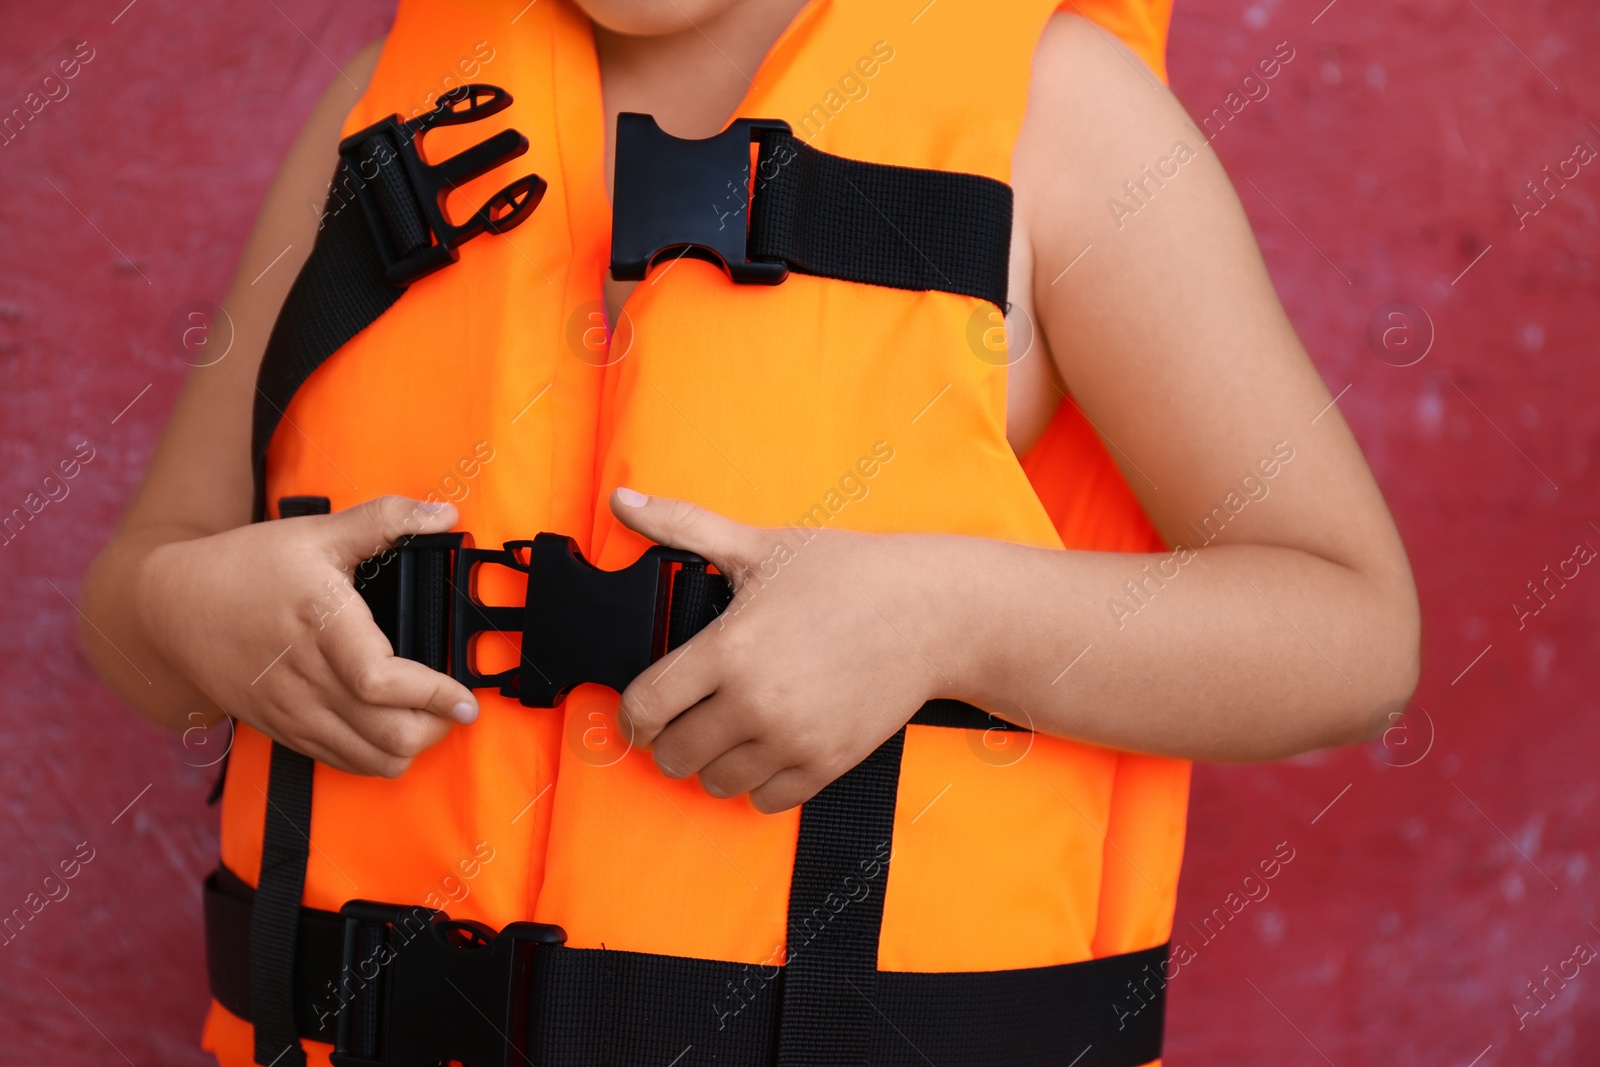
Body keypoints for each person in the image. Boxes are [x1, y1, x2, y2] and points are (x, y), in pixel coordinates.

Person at [82, 1, 1419, 1064]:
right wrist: (202, 618)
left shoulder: (1062, 124)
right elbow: (137, 600)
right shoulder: (383, 115)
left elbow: (1351, 636)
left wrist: (948, 618)